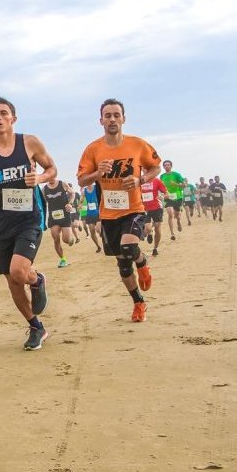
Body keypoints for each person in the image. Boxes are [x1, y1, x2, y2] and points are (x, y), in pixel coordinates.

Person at [0, 97, 58, 350]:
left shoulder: (29, 143)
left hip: (29, 217)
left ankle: (37, 280)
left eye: (2, 113)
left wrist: (40, 177)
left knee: (20, 272)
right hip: (2, 221)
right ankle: (35, 327)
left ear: (13, 119)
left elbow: (52, 168)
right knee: (12, 279)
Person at [77, 98, 161, 322]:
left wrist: (140, 179)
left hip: (134, 209)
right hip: (109, 214)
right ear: (101, 120)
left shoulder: (137, 144)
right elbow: (82, 181)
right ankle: (138, 302)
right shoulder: (93, 149)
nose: (112, 119)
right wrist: (97, 174)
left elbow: (156, 167)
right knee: (123, 264)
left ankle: (142, 264)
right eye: (108, 115)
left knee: (129, 245)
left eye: (116, 115)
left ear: (124, 118)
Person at [42, 177, 76, 268]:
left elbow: (72, 193)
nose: (51, 178)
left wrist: (70, 203)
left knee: (65, 240)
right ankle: (63, 259)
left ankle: (70, 238)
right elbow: (43, 204)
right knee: (56, 238)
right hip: (53, 217)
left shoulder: (62, 184)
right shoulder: (44, 189)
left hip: (65, 215)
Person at [160, 160, 187, 240]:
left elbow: (184, 185)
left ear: (171, 166)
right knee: (170, 214)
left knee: (177, 215)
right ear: (163, 167)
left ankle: (178, 222)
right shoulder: (162, 176)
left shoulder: (176, 175)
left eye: (168, 165)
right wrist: (162, 194)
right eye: (165, 165)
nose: (167, 166)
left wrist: (176, 184)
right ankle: (172, 233)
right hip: (168, 198)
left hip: (178, 197)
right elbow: (161, 187)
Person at [141, 175, 168, 256]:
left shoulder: (157, 181)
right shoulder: (140, 180)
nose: (146, 170)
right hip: (144, 208)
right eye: (144, 168)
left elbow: (166, 192)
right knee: (148, 228)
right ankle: (149, 233)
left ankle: (155, 248)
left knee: (157, 227)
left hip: (157, 207)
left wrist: (163, 196)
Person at [81, 183, 102, 252]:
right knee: (92, 231)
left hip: (98, 212)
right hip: (90, 213)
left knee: (99, 230)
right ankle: (98, 246)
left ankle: (104, 239)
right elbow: (81, 200)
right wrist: (80, 204)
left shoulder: (97, 188)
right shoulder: (84, 191)